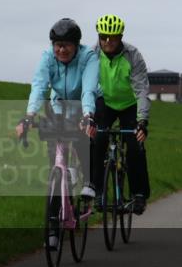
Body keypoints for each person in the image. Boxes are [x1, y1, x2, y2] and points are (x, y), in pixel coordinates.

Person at [15, 19, 99, 248]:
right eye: (57, 45)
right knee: (56, 165)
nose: (61, 50)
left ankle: (90, 182)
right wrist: (29, 116)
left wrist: (88, 116)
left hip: (84, 104)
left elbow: (89, 89)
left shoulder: (88, 57)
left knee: (83, 137)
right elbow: (39, 86)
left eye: (66, 45)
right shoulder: (47, 58)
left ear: (76, 45)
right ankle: (53, 228)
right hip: (59, 106)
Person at [88, 14, 150, 215]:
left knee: (135, 145)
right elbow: (87, 85)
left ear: (121, 36)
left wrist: (142, 121)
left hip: (129, 104)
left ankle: (139, 194)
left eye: (113, 37)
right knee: (97, 140)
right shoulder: (92, 54)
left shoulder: (133, 55)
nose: (107, 41)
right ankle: (97, 191)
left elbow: (141, 90)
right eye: (104, 36)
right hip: (104, 102)